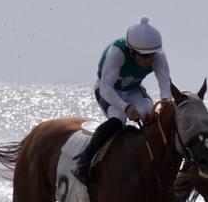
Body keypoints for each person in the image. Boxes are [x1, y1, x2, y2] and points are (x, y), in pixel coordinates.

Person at [73, 16, 172, 186]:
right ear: (132, 50)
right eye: (143, 56)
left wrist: (164, 105)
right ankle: (83, 161)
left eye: (151, 56)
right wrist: (125, 108)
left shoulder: (158, 56)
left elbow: (165, 86)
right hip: (109, 92)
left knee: (150, 115)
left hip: (133, 90)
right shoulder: (117, 53)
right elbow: (106, 89)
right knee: (119, 119)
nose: (148, 61)